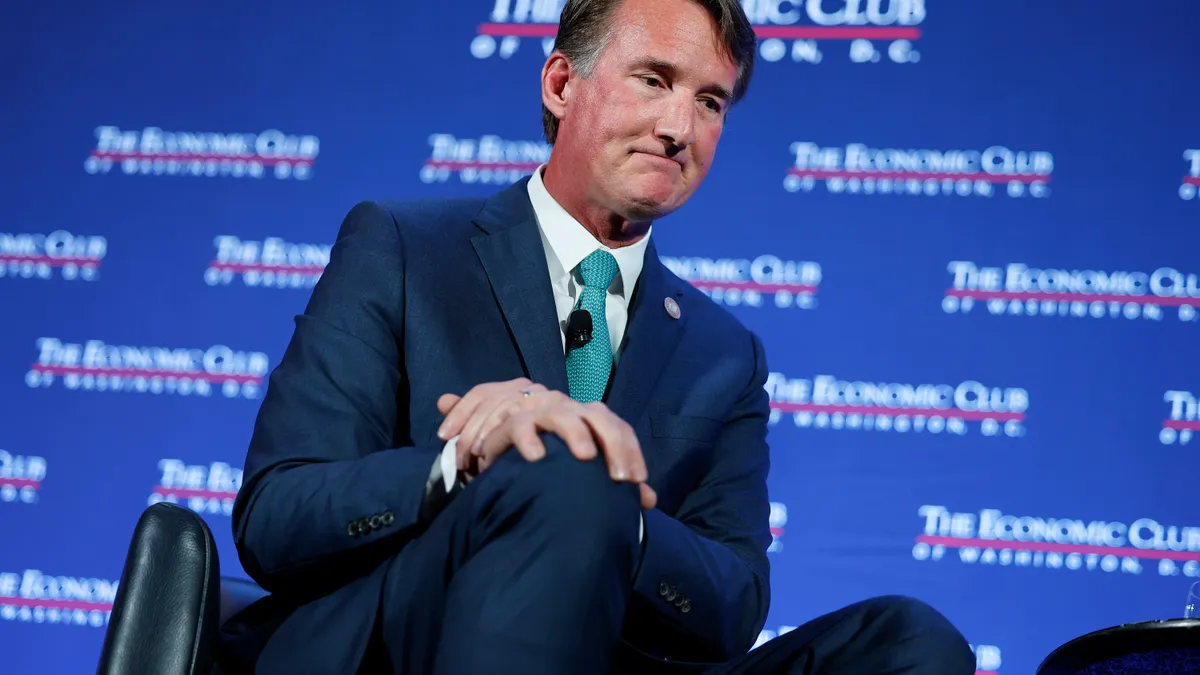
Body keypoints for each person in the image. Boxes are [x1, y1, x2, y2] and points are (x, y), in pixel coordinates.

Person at [219, 0, 977, 673]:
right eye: (654, 79)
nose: (680, 127)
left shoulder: (724, 352)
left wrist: (619, 520)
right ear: (560, 85)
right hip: (412, 639)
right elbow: (277, 513)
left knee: (911, 642)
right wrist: (465, 461)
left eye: (709, 101)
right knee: (561, 465)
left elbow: (733, 606)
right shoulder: (405, 248)